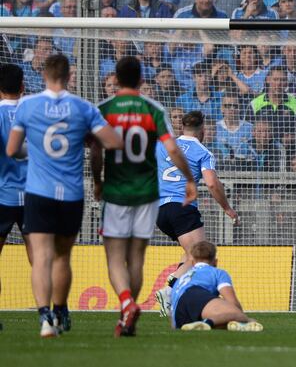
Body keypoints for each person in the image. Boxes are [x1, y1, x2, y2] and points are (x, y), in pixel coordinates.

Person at [5, 54, 123, 338]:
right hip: (71, 194)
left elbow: (11, 150)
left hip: (38, 192)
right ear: (70, 76)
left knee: (42, 256)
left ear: (43, 75)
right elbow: (112, 142)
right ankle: (60, 310)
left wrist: (36, 149)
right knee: (62, 257)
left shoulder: (28, 106)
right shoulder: (82, 108)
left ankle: (45, 318)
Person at [90, 56, 196, 337]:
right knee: (136, 257)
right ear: (140, 80)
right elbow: (172, 149)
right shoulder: (153, 109)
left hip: (116, 192)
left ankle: (126, 304)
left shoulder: (105, 108)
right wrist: (188, 179)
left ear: (116, 78)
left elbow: (96, 150)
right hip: (147, 193)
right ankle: (129, 313)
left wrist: (97, 182)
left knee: (114, 257)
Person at [153, 110, 239, 318]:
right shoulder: (203, 152)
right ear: (203, 129)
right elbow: (211, 183)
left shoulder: (162, 145)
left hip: (158, 209)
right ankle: (170, 289)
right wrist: (227, 207)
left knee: (189, 251)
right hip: (181, 206)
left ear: (181, 127)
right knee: (200, 255)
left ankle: (173, 290)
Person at [171, 240, 262, 331]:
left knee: (223, 320)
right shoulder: (217, 273)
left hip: (178, 316)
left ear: (193, 263)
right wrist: (243, 318)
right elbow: (232, 302)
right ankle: (207, 323)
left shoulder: (182, 277)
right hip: (195, 294)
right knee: (237, 315)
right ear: (215, 262)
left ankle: (206, 324)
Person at [0, 63, 30, 332]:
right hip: (34, 195)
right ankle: (52, 314)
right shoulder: (34, 111)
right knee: (41, 258)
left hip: (2, 195)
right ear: (23, 86)